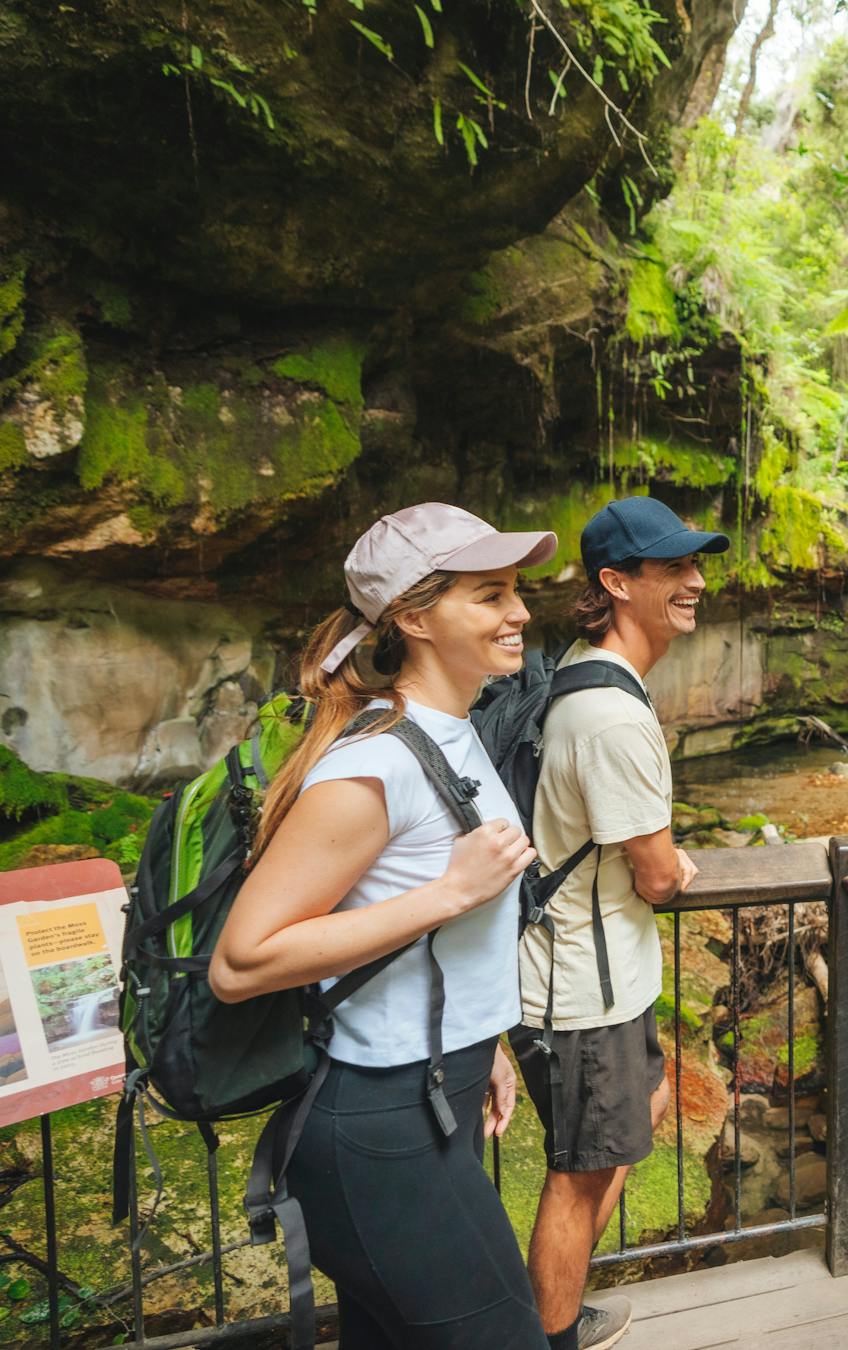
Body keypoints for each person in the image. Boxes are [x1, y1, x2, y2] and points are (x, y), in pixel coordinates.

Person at [209, 502, 556, 1348]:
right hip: (376, 1126)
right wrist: (445, 893)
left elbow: (433, 938)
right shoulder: (373, 763)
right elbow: (242, 961)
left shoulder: (457, 731)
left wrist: (485, 1043)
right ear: (412, 617)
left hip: (439, 1090)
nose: (518, 614)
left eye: (514, 591)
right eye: (490, 595)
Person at [511, 496, 729, 1350]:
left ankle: (550, 1311)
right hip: (582, 990)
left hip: (606, 976)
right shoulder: (611, 716)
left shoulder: (586, 675)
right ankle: (550, 1337)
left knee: (631, 1125)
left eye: (695, 565)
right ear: (615, 582)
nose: (696, 581)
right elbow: (658, 872)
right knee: (579, 1173)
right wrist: (675, 866)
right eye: (673, 567)